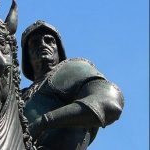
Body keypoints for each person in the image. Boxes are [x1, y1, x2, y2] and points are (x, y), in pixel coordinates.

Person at [21, 20, 124, 150]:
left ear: (58, 49)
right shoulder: (18, 96)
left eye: (49, 40)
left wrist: (43, 122)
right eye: (34, 42)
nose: (42, 45)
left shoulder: (73, 70)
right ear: (27, 56)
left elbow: (109, 102)